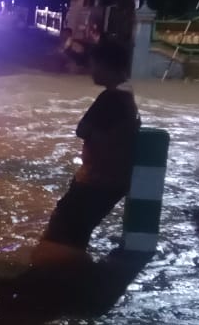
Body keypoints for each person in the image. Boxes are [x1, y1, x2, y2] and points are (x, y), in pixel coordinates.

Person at [32, 39, 141, 265]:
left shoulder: (111, 98)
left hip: (96, 181)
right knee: (74, 231)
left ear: (106, 65)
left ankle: (64, 282)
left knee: (63, 231)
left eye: (94, 64)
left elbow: (82, 129)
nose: (91, 70)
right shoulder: (127, 95)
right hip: (111, 181)